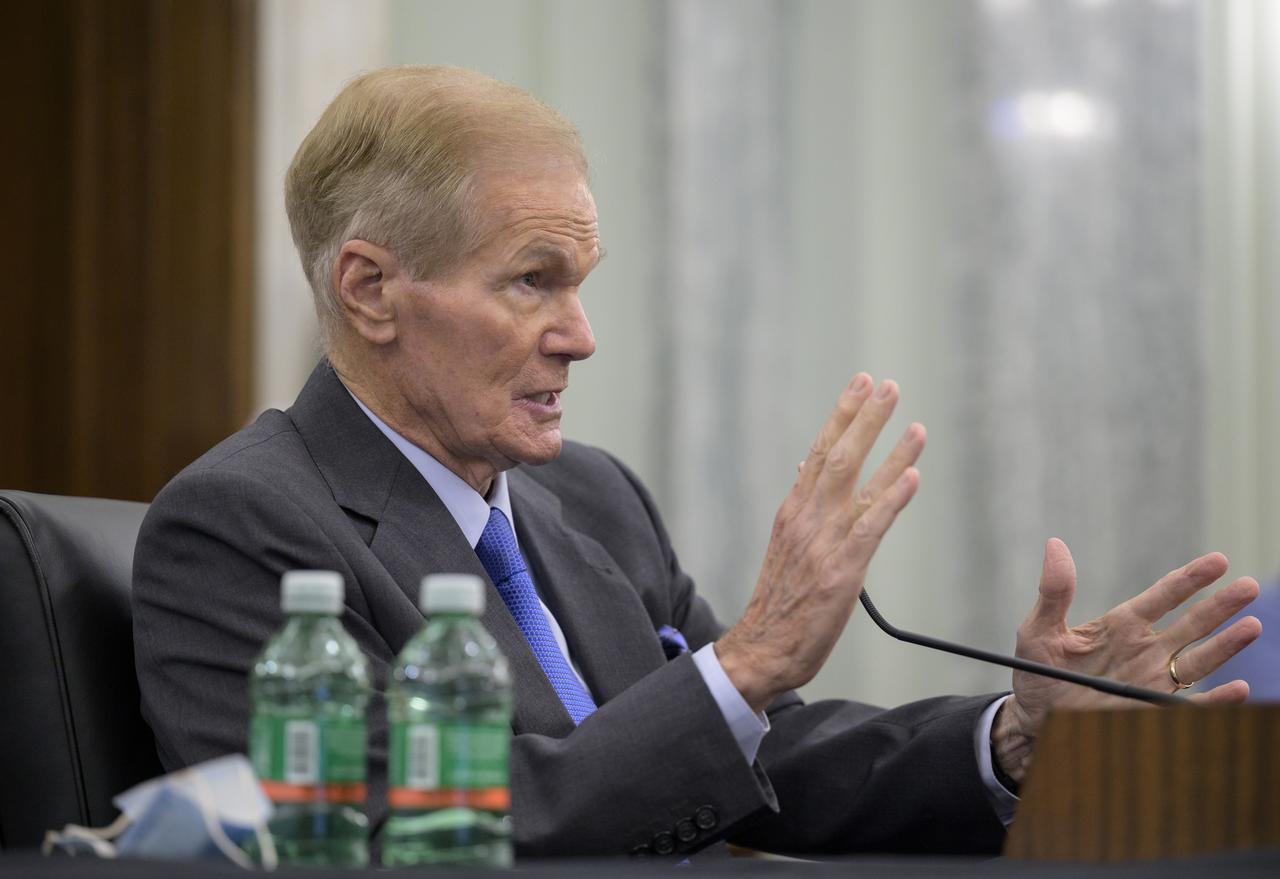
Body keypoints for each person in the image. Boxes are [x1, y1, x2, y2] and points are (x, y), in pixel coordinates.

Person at [131, 65, 1262, 859]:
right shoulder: (241, 523)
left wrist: (1013, 737)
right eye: (533, 280)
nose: (581, 334)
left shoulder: (588, 493)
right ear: (371, 290)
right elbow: (404, 836)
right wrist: (750, 659)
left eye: (581, 282)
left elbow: (751, 764)